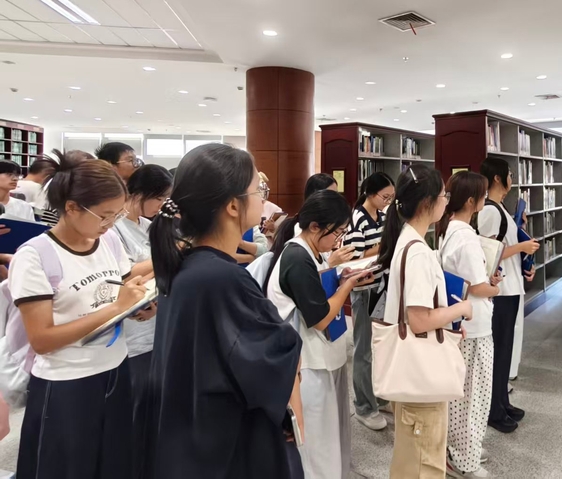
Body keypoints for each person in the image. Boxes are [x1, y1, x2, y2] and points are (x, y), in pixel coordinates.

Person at [145, 143, 303, 478]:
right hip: (225, 441)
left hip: (192, 435)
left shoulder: (190, 264)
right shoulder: (222, 278)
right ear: (233, 205)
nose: (263, 198)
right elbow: (269, 357)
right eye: (258, 190)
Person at [9, 157, 148, 478]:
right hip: (66, 382)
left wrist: (138, 307)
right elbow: (42, 339)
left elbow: (117, 291)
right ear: (72, 207)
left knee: (113, 462)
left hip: (115, 367)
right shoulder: (35, 256)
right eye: (104, 215)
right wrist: (115, 308)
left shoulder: (108, 241)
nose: (111, 223)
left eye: (117, 214)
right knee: (67, 467)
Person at [267, 189, 373, 479]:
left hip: (322, 356)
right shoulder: (297, 257)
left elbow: (320, 287)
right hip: (308, 365)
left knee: (331, 434)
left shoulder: (312, 252)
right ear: (315, 227)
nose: (338, 240)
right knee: (317, 445)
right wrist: (347, 287)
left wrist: (341, 276)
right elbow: (321, 318)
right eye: (337, 232)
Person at [377, 165, 473, 478]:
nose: (447, 200)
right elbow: (418, 321)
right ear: (427, 203)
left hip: (414, 372)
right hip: (421, 375)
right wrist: (460, 309)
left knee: (415, 459)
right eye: (444, 195)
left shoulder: (409, 241)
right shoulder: (417, 252)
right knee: (423, 464)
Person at [438, 171, 502, 479]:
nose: (485, 200)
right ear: (470, 201)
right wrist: (495, 288)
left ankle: (462, 447)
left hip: (460, 320)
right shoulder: (466, 238)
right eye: (483, 195)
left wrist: (485, 281)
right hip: (474, 325)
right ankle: (464, 458)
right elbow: (477, 287)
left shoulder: (450, 229)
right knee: (473, 395)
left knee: (461, 394)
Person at [111, 164, 171, 478]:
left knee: (151, 408)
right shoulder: (114, 230)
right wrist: (167, 258)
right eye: (158, 198)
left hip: (154, 322)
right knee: (131, 409)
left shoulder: (149, 226)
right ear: (138, 194)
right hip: (130, 332)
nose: (161, 205)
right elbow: (124, 275)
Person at [477, 157, 538, 434]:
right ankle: (493, 409)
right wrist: (523, 248)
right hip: (500, 290)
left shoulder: (500, 208)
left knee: (505, 350)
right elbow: (490, 252)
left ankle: (502, 400)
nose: (512, 178)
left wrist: (525, 259)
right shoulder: (490, 210)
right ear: (498, 178)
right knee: (499, 350)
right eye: (510, 174)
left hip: (511, 286)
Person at [342, 172, 395, 431]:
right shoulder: (357, 219)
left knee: (380, 345)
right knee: (363, 349)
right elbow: (355, 256)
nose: (388, 201)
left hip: (381, 287)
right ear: (371, 194)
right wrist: (386, 245)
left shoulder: (382, 217)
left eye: (391, 197)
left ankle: (379, 396)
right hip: (364, 289)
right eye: (385, 197)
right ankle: (363, 406)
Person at [283, 173, 354, 267]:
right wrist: (331, 262)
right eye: (329, 195)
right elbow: (315, 268)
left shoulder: (324, 233)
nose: (334, 200)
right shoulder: (300, 248)